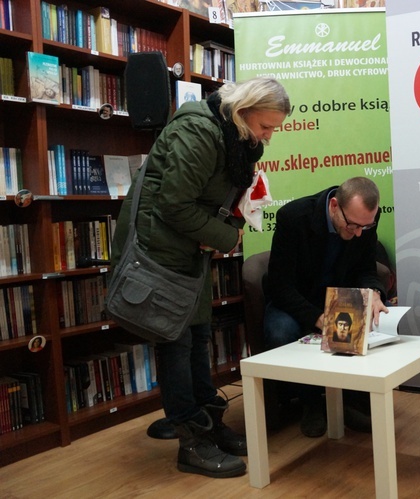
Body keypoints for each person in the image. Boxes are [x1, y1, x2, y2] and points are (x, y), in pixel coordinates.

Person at [109, 77, 291, 478]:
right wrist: (228, 236)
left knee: (200, 337)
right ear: (243, 111)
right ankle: (192, 442)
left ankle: (210, 425)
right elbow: (174, 205)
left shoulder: (233, 135)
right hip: (161, 249)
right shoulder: (197, 131)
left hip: (189, 247)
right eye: (266, 126)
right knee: (176, 342)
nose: (269, 136)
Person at [264, 176, 389, 437]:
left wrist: (375, 293)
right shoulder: (294, 217)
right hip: (297, 300)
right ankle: (312, 403)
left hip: (339, 299)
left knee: (370, 320)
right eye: (352, 225)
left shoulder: (363, 221)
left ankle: (348, 400)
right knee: (280, 331)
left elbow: (366, 268)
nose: (357, 233)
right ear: (334, 206)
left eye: (364, 228)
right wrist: (319, 318)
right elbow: (280, 285)